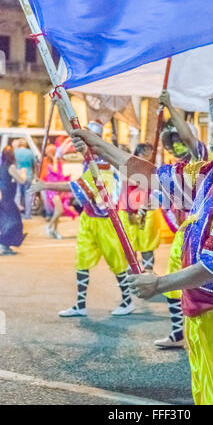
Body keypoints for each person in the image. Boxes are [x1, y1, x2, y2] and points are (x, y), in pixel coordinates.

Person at [71, 93, 213, 405]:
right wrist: (96, 144)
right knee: (209, 396)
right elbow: (149, 176)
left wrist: (159, 284)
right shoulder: (211, 174)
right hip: (205, 316)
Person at [30, 122, 133, 317]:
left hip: (106, 220)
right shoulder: (89, 159)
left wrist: (45, 185)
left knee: (117, 262)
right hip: (89, 217)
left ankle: (127, 301)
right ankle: (80, 305)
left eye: (85, 138)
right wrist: (60, 102)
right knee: (82, 261)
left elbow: (78, 186)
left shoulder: (102, 162)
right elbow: (71, 132)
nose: (79, 142)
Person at [153, 90, 208, 348]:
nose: (177, 141)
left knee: (200, 285)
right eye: (172, 137)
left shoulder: (203, 159)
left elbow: (189, 138)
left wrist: (170, 107)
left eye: (179, 136)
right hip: (184, 233)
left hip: (203, 233)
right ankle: (178, 333)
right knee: (174, 282)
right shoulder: (178, 166)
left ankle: (204, 333)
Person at [118, 143, 161, 273]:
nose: (147, 155)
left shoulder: (153, 169)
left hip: (147, 212)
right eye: (144, 152)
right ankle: (131, 274)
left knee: (147, 244)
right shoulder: (129, 167)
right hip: (129, 212)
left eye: (150, 152)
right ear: (137, 153)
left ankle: (148, 274)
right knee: (130, 244)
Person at [42, 143, 78, 239]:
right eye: (52, 152)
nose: (55, 153)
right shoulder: (46, 163)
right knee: (59, 210)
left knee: (58, 211)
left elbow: (60, 174)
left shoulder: (58, 162)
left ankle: (55, 230)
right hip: (51, 190)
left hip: (57, 189)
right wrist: (54, 160)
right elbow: (53, 173)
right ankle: (49, 226)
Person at [0, 146, 26, 255]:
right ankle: (4, 244)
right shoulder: (11, 167)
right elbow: (22, 181)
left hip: (3, 198)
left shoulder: (1, 167)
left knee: (6, 222)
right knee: (14, 222)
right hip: (8, 199)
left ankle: (5, 245)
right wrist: (24, 172)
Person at [14, 138, 36, 219]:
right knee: (28, 194)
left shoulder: (15, 152)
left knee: (17, 194)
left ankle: (17, 213)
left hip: (18, 174)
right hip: (28, 174)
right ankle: (28, 214)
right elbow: (34, 164)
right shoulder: (30, 152)